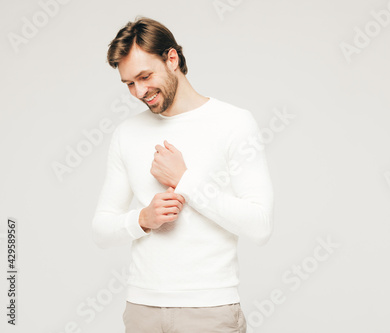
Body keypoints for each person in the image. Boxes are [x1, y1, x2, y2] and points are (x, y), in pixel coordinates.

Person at [91, 17, 274, 333]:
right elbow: (101, 229)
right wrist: (143, 219)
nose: (139, 91)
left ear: (171, 59)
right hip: (141, 311)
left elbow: (260, 226)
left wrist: (186, 181)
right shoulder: (127, 133)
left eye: (145, 76)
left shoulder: (233, 123)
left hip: (209, 311)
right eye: (129, 83)